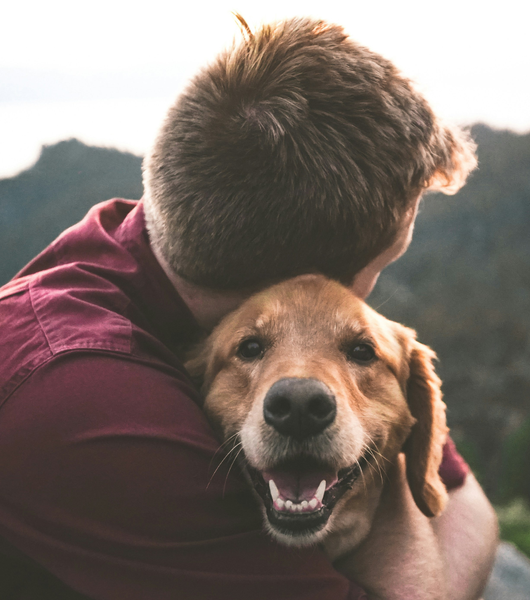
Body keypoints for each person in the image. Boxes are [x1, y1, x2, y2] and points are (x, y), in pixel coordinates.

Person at [0, 16, 497, 600]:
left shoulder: (154, 241)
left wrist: (384, 455)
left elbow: (467, 504)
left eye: (356, 343)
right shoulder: (88, 398)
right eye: (381, 266)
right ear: (305, 280)